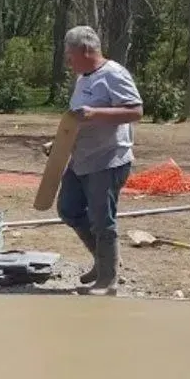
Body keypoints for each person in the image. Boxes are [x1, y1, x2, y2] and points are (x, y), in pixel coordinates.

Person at [56, 26, 143, 296]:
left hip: (108, 160)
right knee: (68, 209)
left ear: (86, 51)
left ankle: (108, 280)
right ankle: (103, 260)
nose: (68, 61)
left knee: (102, 219)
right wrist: (59, 142)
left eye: (71, 55)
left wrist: (95, 113)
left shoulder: (114, 75)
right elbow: (77, 118)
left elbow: (135, 111)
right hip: (81, 158)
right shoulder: (83, 78)